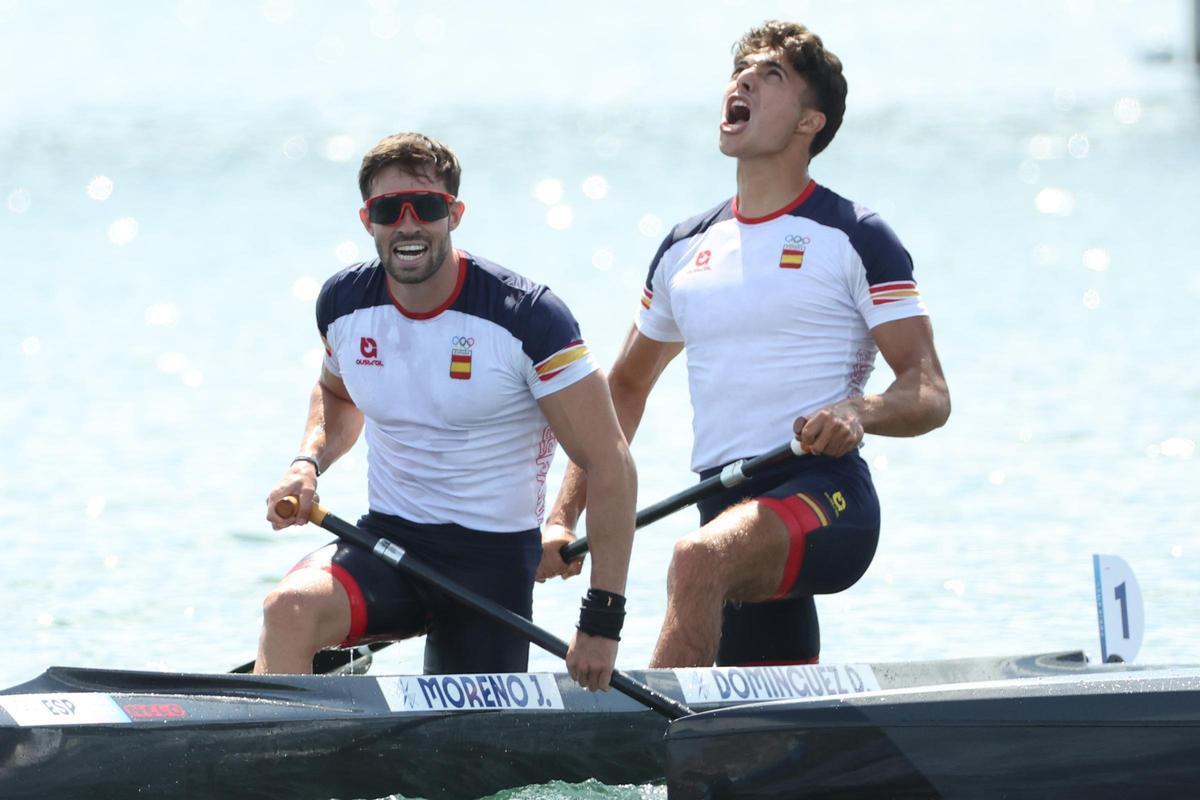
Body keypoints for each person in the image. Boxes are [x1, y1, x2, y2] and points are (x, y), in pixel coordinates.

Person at [539, 21, 950, 668]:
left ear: (810, 122)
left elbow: (929, 392)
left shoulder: (856, 236)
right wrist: (562, 517)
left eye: (771, 75)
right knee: (762, 732)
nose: (744, 79)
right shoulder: (683, 248)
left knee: (696, 559)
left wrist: (857, 413)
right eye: (742, 71)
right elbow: (621, 393)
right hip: (724, 500)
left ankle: (644, 758)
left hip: (824, 492)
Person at [254, 133, 636, 691]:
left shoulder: (528, 317)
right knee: (286, 609)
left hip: (492, 565)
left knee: (477, 776)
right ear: (368, 221)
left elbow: (610, 463)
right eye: (389, 210)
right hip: (385, 542)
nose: (408, 225)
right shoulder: (343, 303)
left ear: (454, 214)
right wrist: (307, 463)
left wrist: (601, 621)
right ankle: (275, 765)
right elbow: (337, 397)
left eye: (426, 208)